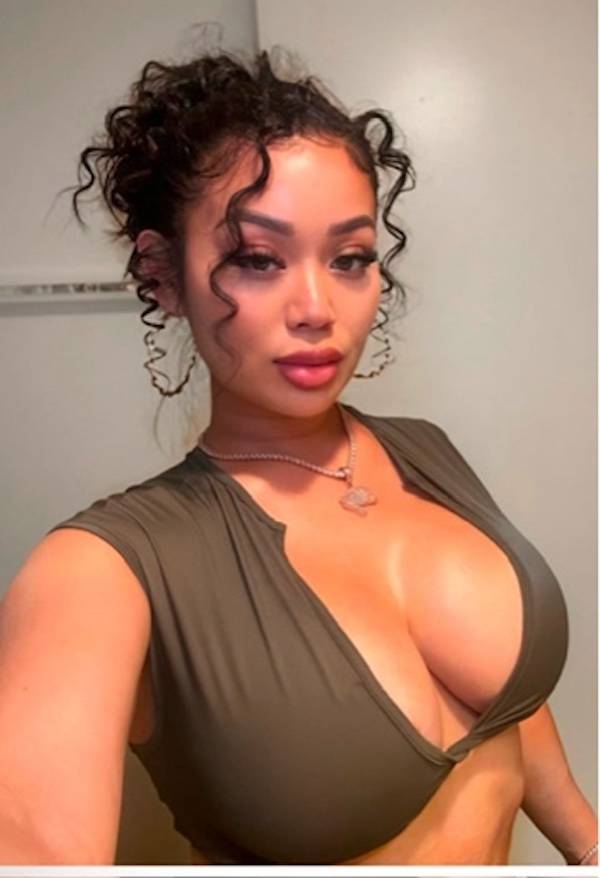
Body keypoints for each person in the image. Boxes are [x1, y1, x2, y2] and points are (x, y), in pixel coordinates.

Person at [0, 32, 596, 867]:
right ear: (163, 273)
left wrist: (587, 844)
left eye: (349, 258)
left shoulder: (426, 454)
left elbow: (512, 709)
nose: (317, 307)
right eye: (258, 259)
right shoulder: (101, 572)